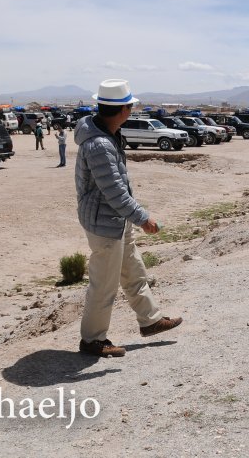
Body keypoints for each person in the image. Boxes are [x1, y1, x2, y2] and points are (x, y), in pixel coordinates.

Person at [75, 79, 181, 358]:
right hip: (104, 223)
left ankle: (151, 320)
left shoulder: (107, 134)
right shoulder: (99, 144)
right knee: (104, 284)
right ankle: (92, 340)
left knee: (133, 270)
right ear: (123, 110)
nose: (131, 111)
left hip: (115, 221)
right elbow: (114, 191)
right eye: (130, 107)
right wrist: (143, 218)